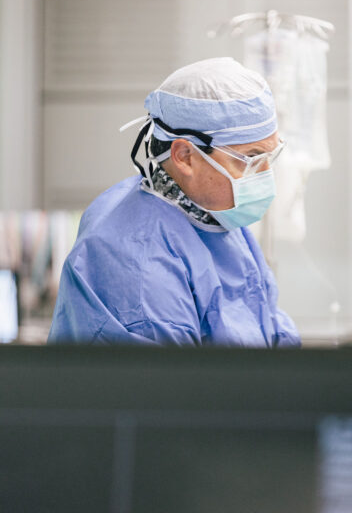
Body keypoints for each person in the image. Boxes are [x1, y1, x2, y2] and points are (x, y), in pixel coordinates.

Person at [48, 58, 300, 347]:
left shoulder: (214, 216)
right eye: (252, 159)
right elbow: (167, 387)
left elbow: (269, 327)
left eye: (270, 157)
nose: (266, 175)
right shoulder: (135, 261)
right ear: (185, 157)